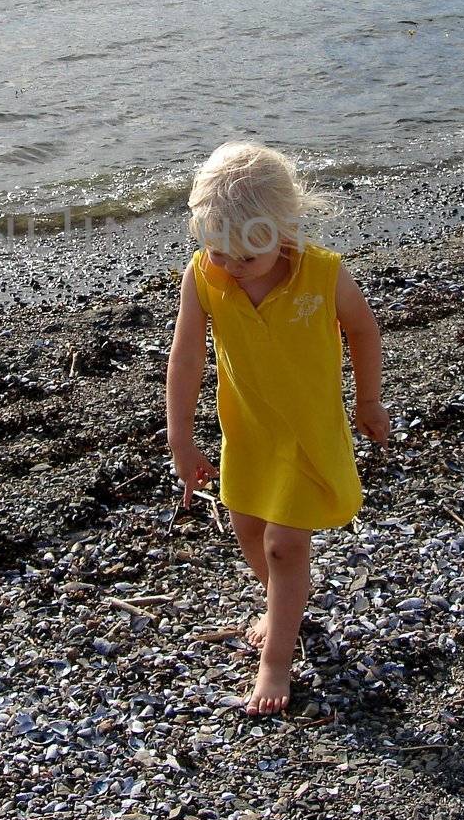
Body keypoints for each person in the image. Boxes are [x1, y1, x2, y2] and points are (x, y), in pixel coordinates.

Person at [165, 142, 390, 715]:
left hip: (309, 435)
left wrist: (369, 400)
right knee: (248, 531)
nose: (232, 267)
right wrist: (181, 437)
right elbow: (186, 359)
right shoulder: (203, 277)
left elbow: (364, 332)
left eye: (247, 256)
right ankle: (282, 601)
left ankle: (277, 664)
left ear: (283, 231)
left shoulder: (324, 275)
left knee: (285, 546)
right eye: (218, 250)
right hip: (248, 434)